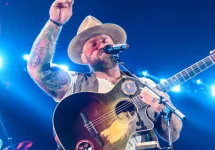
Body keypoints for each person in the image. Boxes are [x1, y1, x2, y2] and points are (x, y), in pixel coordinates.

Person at [27, 0, 182, 149]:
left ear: (115, 47)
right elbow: (39, 70)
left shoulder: (145, 85)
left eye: (104, 41)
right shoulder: (75, 83)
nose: (101, 45)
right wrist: (55, 22)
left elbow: (172, 135)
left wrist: (165, 109)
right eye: (93, 44)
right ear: (83, 57)